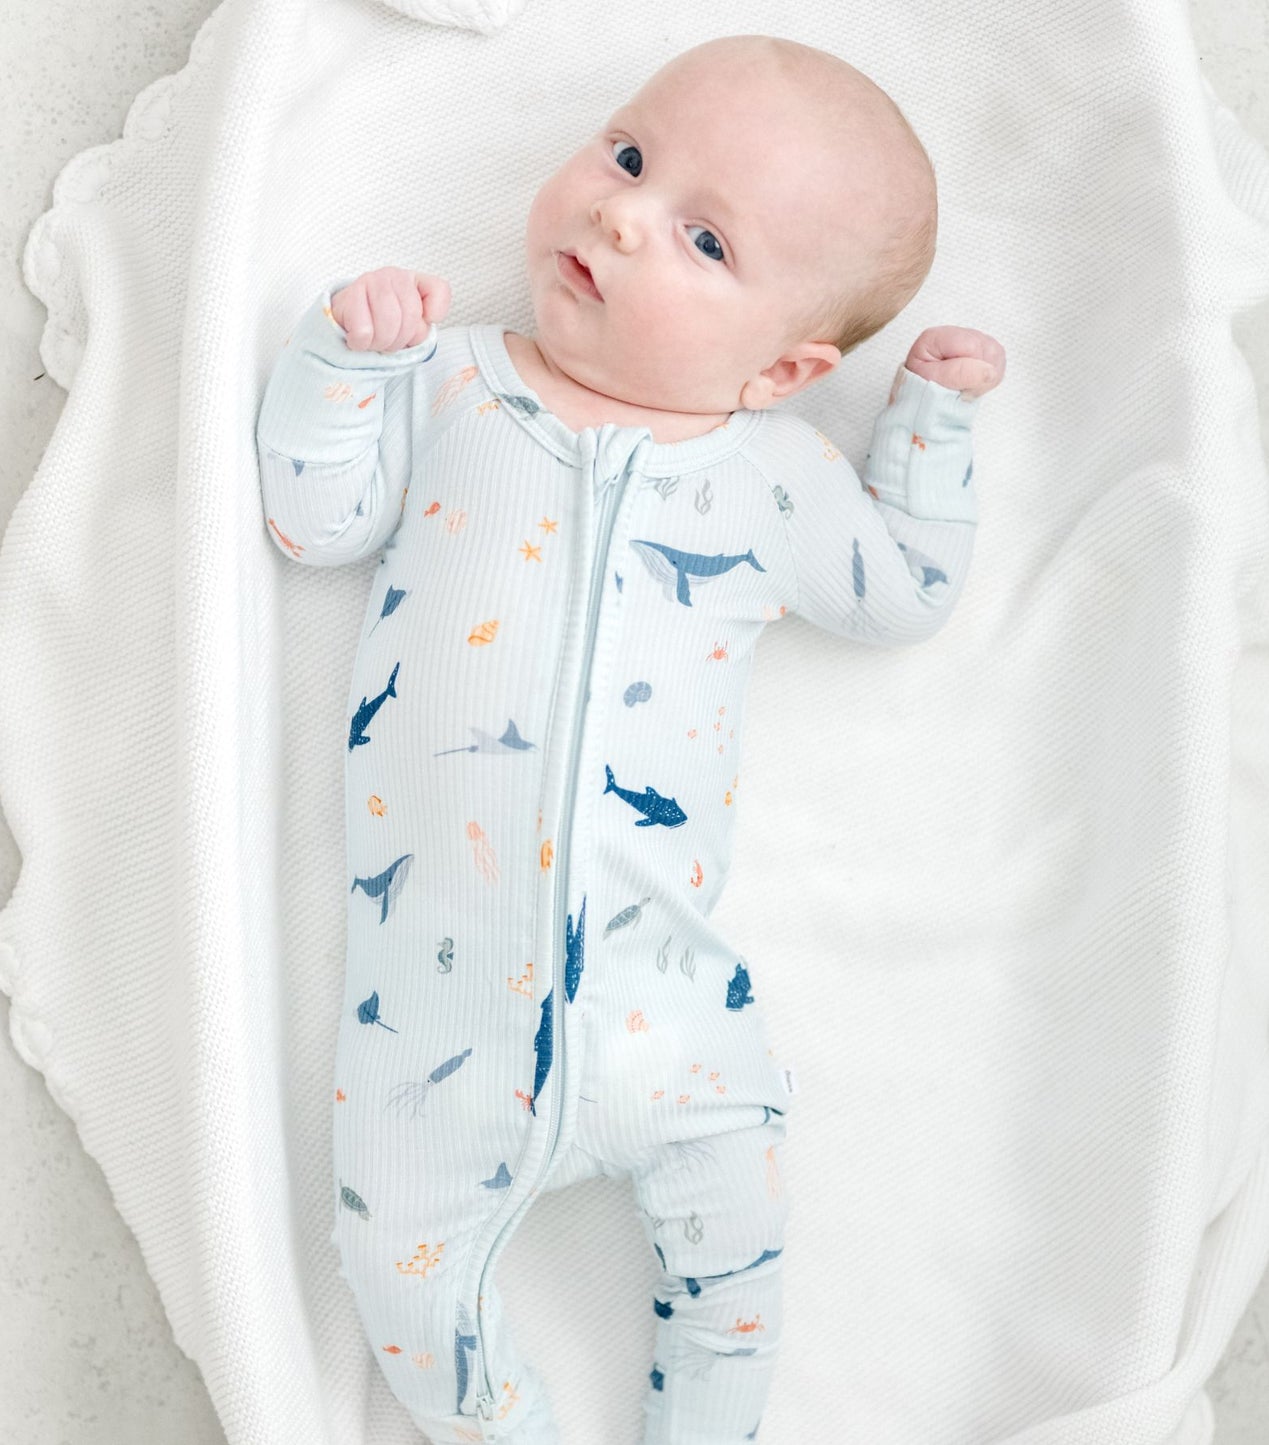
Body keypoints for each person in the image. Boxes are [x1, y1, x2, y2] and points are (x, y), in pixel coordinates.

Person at [255, 32, 1005, 1445]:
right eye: (629, 155)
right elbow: (314, 517)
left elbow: (905, 586)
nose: (620, 215)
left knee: (736, 1279)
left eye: (704, 239)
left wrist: (931, 422)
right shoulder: (450, 383)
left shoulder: (776, 478)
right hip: (433, 1031)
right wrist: (342, 361)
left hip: (676, 1018)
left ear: (784, 369)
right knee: (395, 1275)